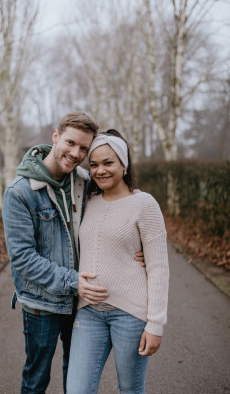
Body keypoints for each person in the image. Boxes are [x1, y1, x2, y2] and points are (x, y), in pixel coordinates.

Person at [2, 113, 145, 394]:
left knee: (75, 381)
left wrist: (138, 248)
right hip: (41, 303)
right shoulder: (19, 193)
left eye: (83, 148)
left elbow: (115, 209)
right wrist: (72, 280)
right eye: (70, 143)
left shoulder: (84, 181)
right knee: (36, 380)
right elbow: (22, 258)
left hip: (81, 303)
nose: (75, 153)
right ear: (55, 137)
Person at [66, 130, 169, 394]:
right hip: (88, 311)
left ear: (123, 164)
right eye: (94, 164)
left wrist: (155, 324)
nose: (100, 170)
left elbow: (159, 268)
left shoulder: (144, 204)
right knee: (77, 389)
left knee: (130, 390)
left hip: (131, 314)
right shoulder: (86, 201)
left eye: (108, 163)